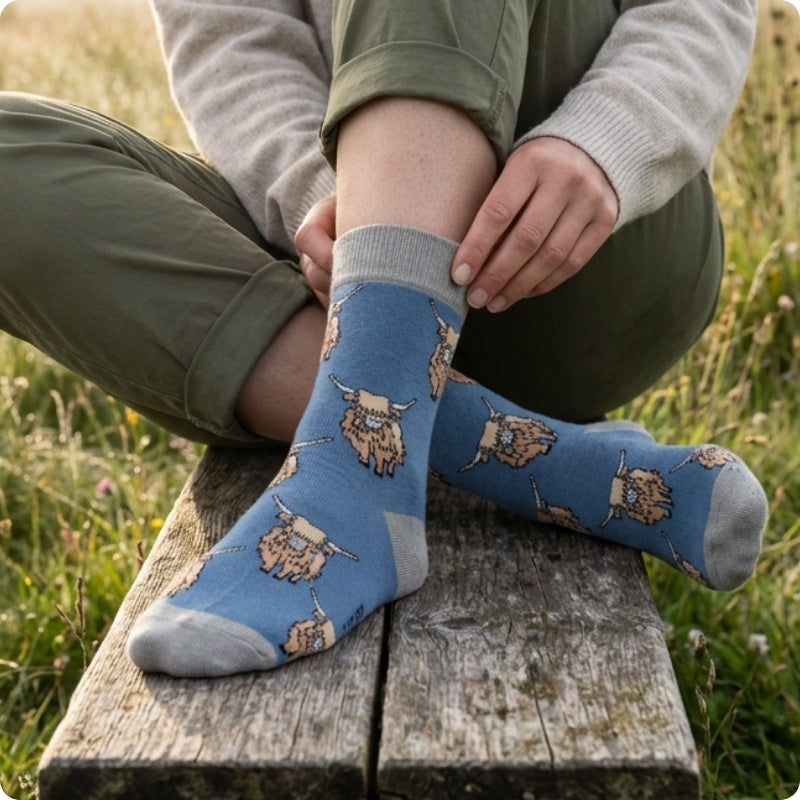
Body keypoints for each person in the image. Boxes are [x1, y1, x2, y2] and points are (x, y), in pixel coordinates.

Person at [0, 0, 768, 678]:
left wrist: (605, 142)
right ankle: (534, 460)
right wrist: (336, 203)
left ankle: (360, 479)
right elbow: (231, 38)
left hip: (578, 247)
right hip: (329, 274)